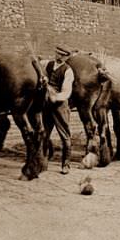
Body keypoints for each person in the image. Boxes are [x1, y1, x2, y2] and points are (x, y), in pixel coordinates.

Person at [44, 46, 75, 174]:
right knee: (44, 133)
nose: (59, 57)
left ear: (66, 57)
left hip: (60, 105)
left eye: (62, 55)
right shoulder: (49, 65)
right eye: (58, 54)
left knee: (65, 135)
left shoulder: (68, 71)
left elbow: (66, 92)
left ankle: (66, 164)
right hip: (47, 105)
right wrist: (44, 81)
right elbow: (46, 77)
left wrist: (55, 97)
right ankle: (42, 161)